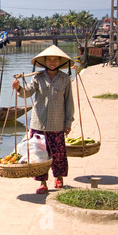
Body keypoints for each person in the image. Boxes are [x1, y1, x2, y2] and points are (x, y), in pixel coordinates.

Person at [12, 45, 74, 194]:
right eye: (49, 60)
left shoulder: (65, 79)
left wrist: (68, 122)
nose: (52, 62)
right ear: (45, 62)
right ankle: (42, 182)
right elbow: (27, 93)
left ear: (60, 61)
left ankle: (58, 178)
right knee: (39, 155)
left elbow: (69, 102)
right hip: (38, 123)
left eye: (55, 60)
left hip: (57, 124)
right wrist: (19, 88)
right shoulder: (37, 78)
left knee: (58, 154)